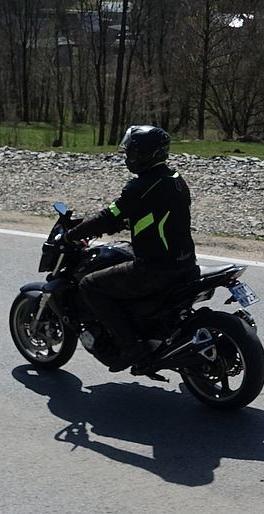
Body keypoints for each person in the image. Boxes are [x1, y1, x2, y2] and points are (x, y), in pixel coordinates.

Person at [65, 124, 199, 368]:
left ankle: (132, 349)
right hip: (187, 265)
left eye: (130, 152)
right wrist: (128, 221)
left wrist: (73, 234)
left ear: (142, 154)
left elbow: (108, 216)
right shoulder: (175, 180)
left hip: (155, 270)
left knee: (90, 285)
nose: (127, 157)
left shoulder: (139, 187)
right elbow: (159, 214)